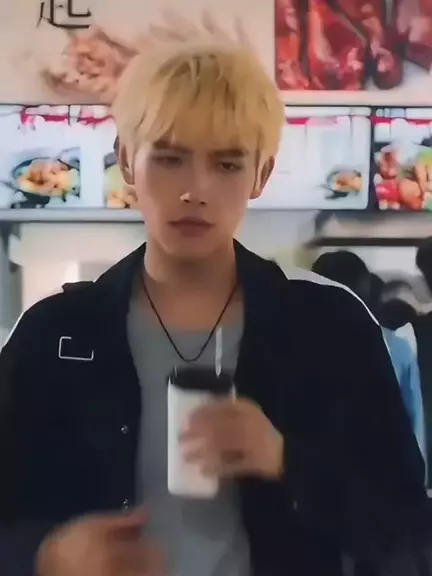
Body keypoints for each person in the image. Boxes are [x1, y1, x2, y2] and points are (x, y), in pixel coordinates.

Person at [0, 41, 431, 576]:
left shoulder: (328, 330)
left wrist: (287, 461)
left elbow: (409, 531)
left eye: (226, 163)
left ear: (261, 174)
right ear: (127, 160)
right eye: (170, 158)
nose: (195, 191)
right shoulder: (53, 337)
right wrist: (47, 554)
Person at [312, 253, 426, 463]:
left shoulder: (296, 345)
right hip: (383, 468)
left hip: (317, 469)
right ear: (365, 289)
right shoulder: (395, 346)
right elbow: (414, 425)